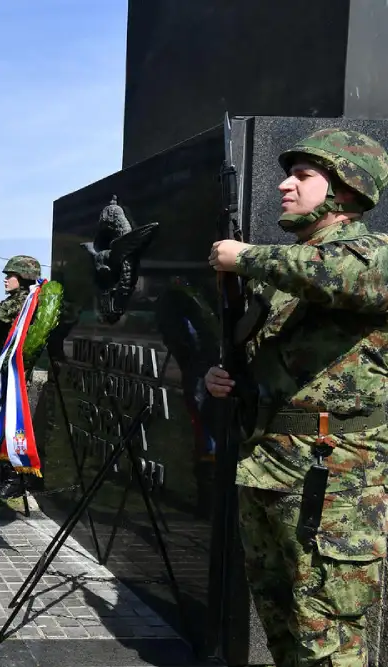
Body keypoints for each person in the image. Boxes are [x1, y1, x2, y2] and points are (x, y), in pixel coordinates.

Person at [204, 128, 388, 667]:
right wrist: (227, 376)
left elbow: (338, 277)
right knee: (280, 615)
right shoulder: (282, 270)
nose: (284, 186)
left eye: (303, 176)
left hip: (336, 480)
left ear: (346, 191)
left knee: (328, 632)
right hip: (266, 462)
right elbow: (265, 351)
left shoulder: (372, 256)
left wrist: (243, 256)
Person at [0, 254, 42, 498]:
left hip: (15, 375)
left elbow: (4, 316)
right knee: (1, 422)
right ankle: (2, 473)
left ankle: (14, 478)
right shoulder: (15, 299)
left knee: (11, 425)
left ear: (24, 277)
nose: (6, 279)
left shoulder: (24, 300)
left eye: (11, 275)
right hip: (3, 368)